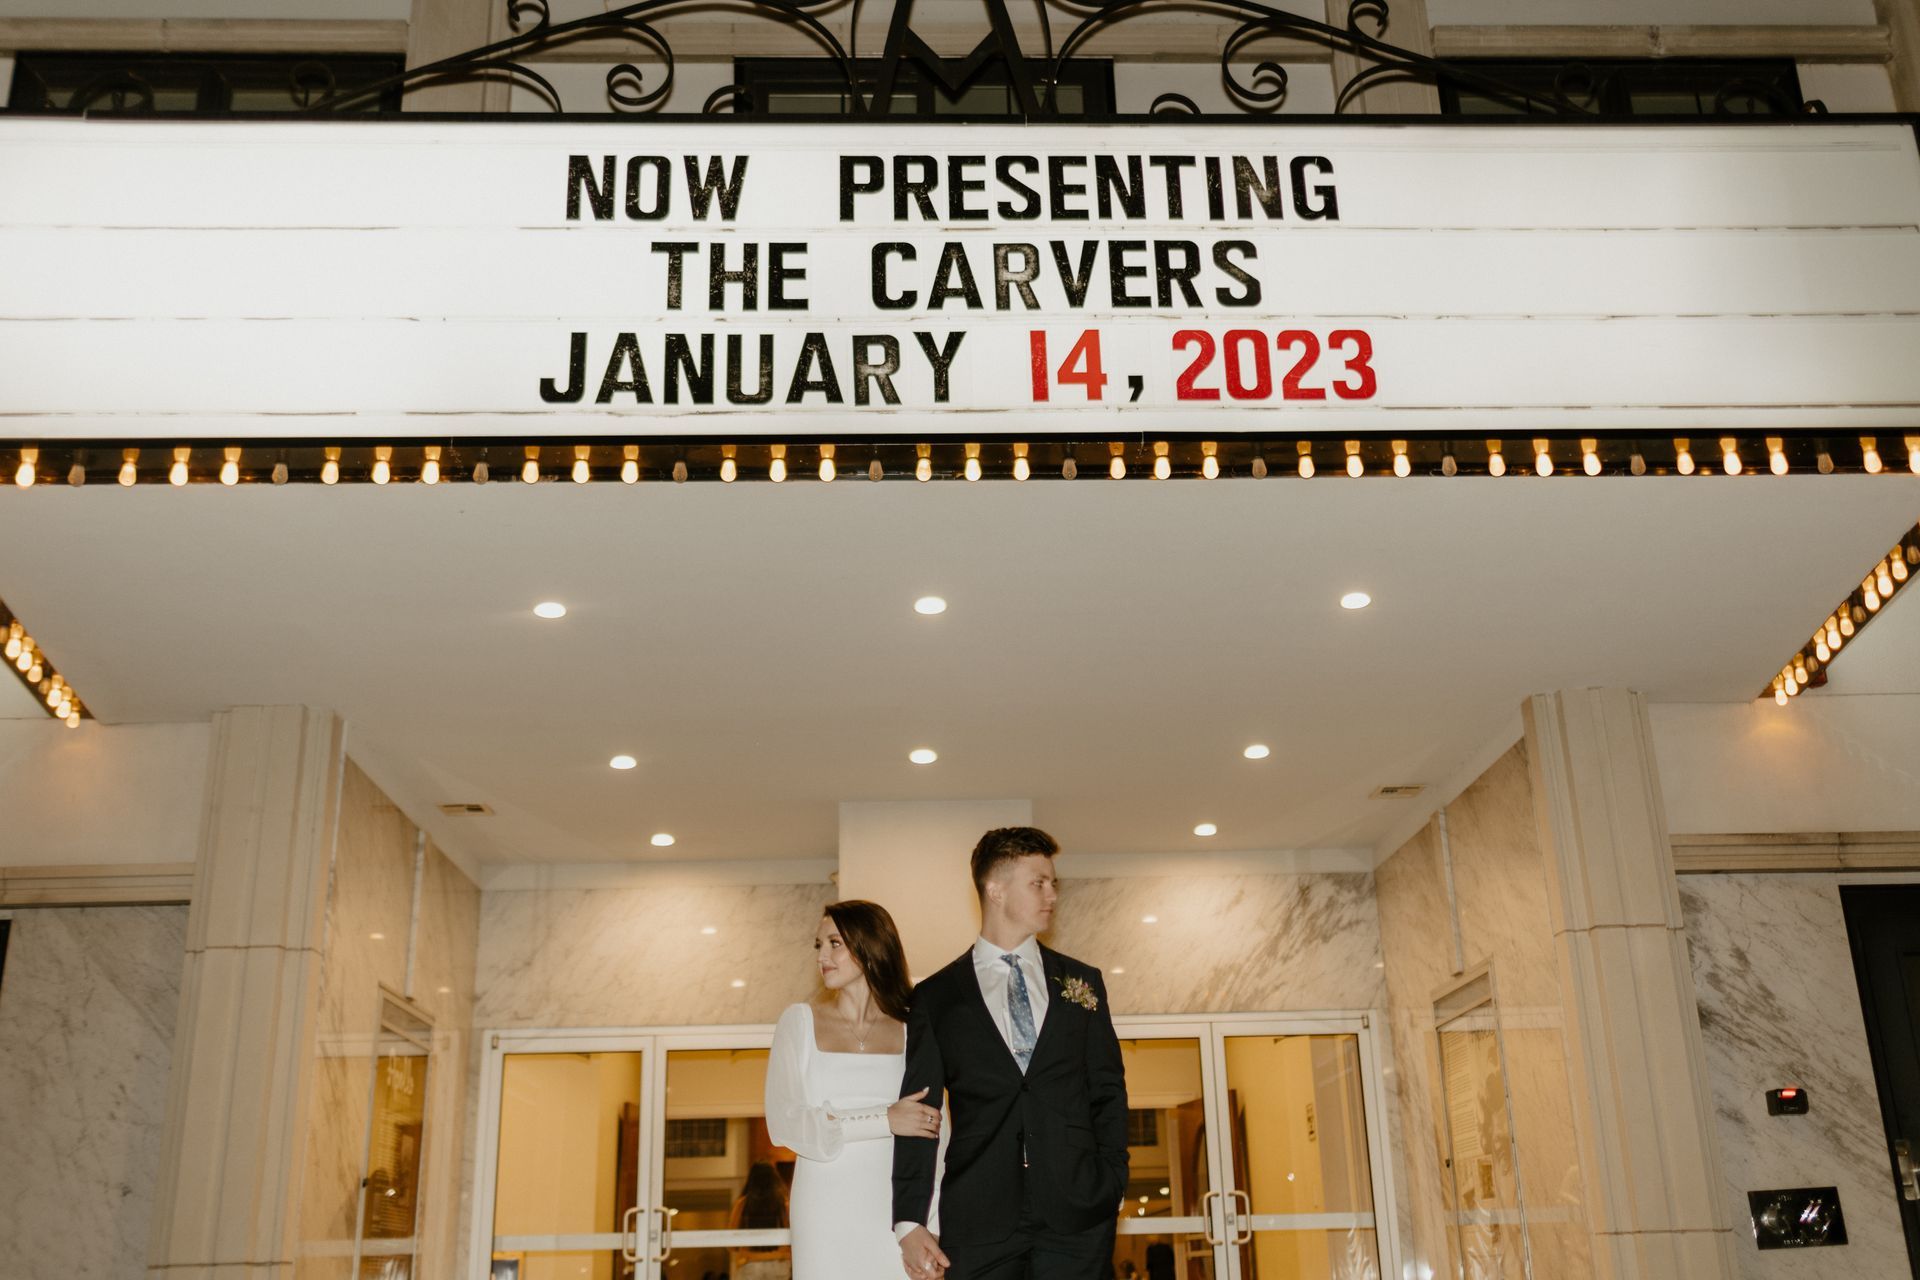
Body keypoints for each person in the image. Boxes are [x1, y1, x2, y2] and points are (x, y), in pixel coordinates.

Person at [893, 827, 1129, 1280]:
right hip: (979, 1217)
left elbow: (1107, 1089)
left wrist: (1113, 1182)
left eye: (1053, 883)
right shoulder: (936, 996)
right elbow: (919, 1111)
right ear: (995, 890)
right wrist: (909, 1220)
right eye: (1038, 882)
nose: (1052, 895)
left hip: (1078, 1214)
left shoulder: (1083, 981)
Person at [766, 900, 945, 1280]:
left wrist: (930, 1223)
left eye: (834, 943)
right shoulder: (798, 1022)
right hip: (823, 1207)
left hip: (895, 1211)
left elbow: (936, 1133)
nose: (822, 956)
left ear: (869, 946)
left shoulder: (915, 1028)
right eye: (819, 945)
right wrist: (884, 1118)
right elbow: (785, 1122)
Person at [727, 1161, 792, 1280]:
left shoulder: (742, 1204)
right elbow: (792, 1236)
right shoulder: (783, 1204)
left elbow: (731, 1243)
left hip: (749, 1262)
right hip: (779, 1262)